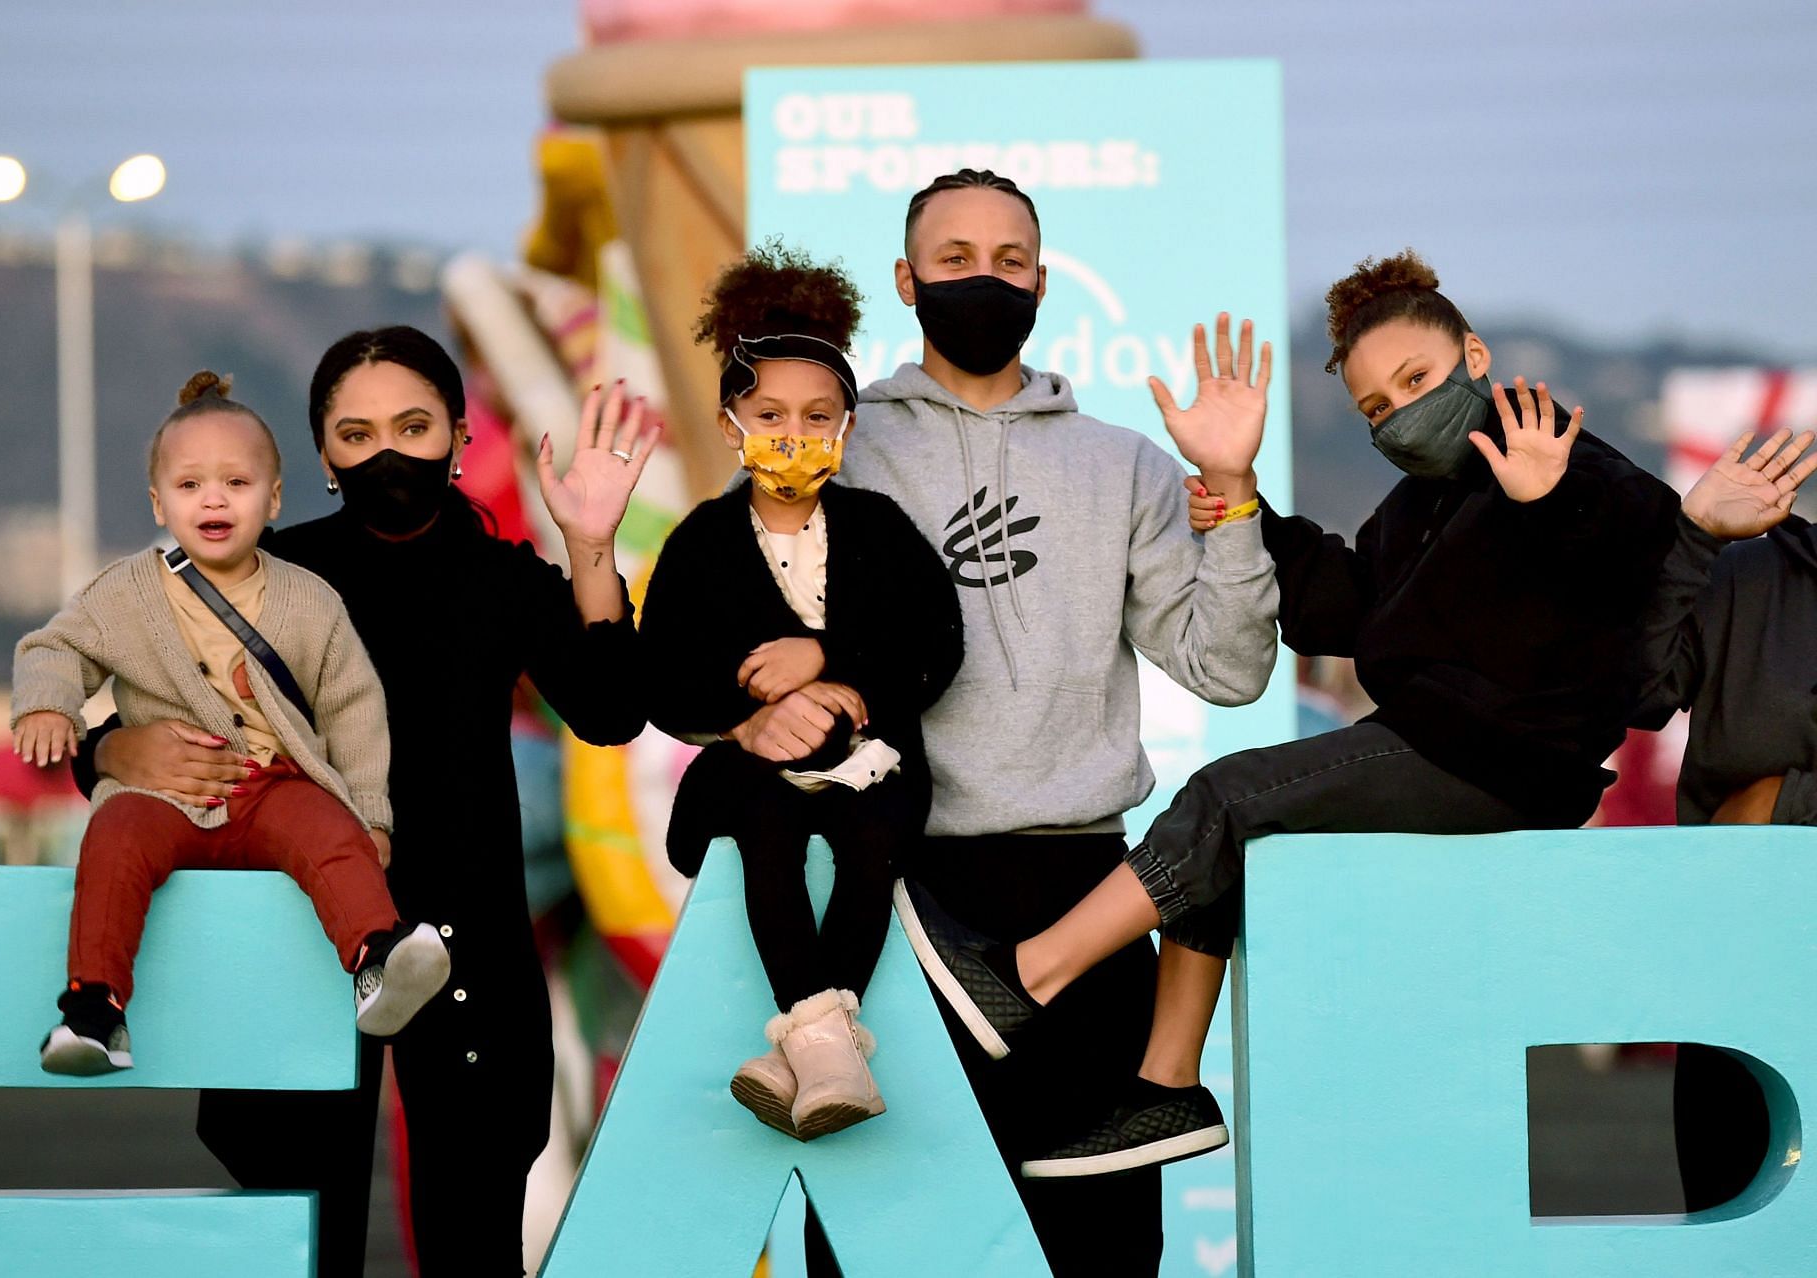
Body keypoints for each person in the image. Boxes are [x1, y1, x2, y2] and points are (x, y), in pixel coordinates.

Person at [896, 248, 1680, 1183]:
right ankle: (1166, 1086)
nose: (1398, 413)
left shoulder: (1568, 464)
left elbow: (1636, 568)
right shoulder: (1421, 504)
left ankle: (1024, 979)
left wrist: (1550, 500)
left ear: (1475, 355)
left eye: (1416, 380)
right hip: (1441, 747)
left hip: (1504, 760)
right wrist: (1236, 491)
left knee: (1228, 796)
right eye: (1376, 408)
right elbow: (1335, 607)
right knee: (1230, 846)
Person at [72, 329, 656, 1275]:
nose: (388, 452)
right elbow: (102, 731)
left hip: (469, 944)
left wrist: (589, 545)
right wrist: (114, 747)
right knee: (301, 1235)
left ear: (461, 437)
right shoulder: (258, 577)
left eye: (414, 425)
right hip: (296, 933)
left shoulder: (502, 577)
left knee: (474, 1236)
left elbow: (610, 711)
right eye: (357, 433)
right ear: (324, 458)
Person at [783, 167, 1278, 1275]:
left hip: (1086, 898)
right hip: (890, 896)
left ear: (1044, 283)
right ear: (906, 281)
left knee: (1097, 1249)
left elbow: (1230, 670)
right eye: (954, 261)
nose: (984, 280)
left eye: (1009, 262)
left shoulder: (1127, 465)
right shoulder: (841, 451)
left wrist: (1233, 493)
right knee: (875, 1242)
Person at [15, 371, 449, 1074]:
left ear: (273, 498)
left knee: (331, 832)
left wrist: (370, 813)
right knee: (113, 841)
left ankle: (376, 957)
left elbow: (353, 706)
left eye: (237, 484)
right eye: (189, 486)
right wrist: (48, 701)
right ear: (159, 501)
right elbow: (55, 646)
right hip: (163, 797)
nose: (213, 499)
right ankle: (95, 1008)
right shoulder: (127, 591)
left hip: (272, 786)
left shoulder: (308, 600)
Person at [641, 243, 963, 1141]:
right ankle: (830, 1039)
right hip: (750, 779)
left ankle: (805, 1049)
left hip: (872, 768)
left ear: (849, 427)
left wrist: (829, 659)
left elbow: (940, 641)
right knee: (767, 835)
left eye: (819, 415)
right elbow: (661, 676)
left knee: (873, 844)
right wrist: (747, 720)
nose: (796, 431)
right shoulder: (701, 543)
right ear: (729, 422)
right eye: (771, 412)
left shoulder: (879, 529)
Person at [1630, 424, 1817, 1211]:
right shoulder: (1757, 572)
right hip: (1739, 966)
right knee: (1729, 1205)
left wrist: (1788, 800)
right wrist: (1693, 539)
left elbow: (1768, 804)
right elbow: (1630, 695)